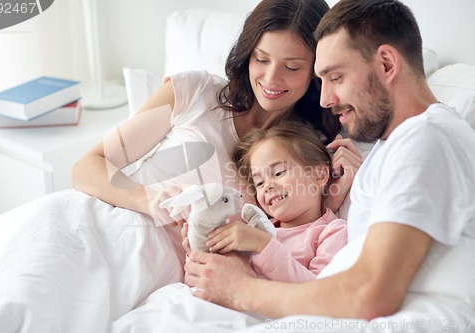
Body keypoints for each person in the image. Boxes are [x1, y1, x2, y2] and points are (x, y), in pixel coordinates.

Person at [184, 0, 475, 321]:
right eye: (321, 82)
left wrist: (240, 289)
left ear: (387, 64)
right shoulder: (405, 142)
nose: (325, 99)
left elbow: (370, 296)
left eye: (336, 77)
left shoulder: (424, 139)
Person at [72, 0, 361, 239]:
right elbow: (86, 167)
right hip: (99, 226)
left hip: (162, 277)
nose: (271, 78)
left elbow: (291, 247)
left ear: (315, 71)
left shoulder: (309, 152)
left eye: (291, 66)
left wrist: (329, 204)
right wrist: (148, 200)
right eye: (261, 59)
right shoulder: (194, 91)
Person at [181, 121, 347, 283]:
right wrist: (198, 252)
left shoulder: (333, 232)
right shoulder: (252, 227)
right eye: (259, 183)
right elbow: (202, 281)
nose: (267, 186)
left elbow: (319, 291)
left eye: (278, 172)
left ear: (319, 175)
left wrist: (263, 245)